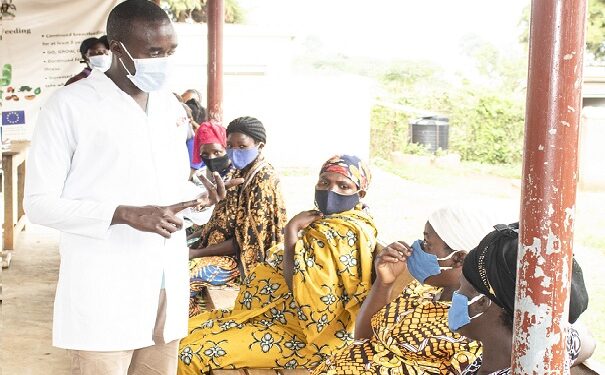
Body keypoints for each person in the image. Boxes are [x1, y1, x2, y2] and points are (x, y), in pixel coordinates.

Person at [24, 1, 242, 374]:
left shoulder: (168, 106)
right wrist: (122, 214)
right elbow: (39, 204)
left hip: (165, 282)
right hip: (105, 286)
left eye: (169, 51)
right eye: (153, 52)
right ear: (117, 48)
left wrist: (200, 201)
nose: (163, 61)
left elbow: (169, 191)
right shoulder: (68, 106)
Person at [178, 155, 377, 373]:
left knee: (187, 355)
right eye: (324, 182)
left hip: (305, 340)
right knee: (184, 332)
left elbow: (311, 298)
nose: (331, 191)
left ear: (360, 194)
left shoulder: (344, 233)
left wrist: (291, 232)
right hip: (271, 317)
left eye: (343, 186)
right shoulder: (325, 222)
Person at [313, 204, 498, 375]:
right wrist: (384, 283)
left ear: (459, 258)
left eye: (427, 243)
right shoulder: (422, 291)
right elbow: (363, 339)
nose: (415, 247)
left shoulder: (470, 323)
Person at [451, 223, 595, 374]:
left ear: (481, 302)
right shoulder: (548, 352)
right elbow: (586, 341)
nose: (455, 297)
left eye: (460, 287)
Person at [187, 116, 288, 316]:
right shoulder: (240, 172)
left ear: (259, 145)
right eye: (230, 146)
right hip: (219, 251)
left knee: (182, 278)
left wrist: (194, 254)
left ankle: (198, 330)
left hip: (240, 261)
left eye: (241, 146)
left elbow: (245, 244)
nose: (234, 151)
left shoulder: (262, 179)